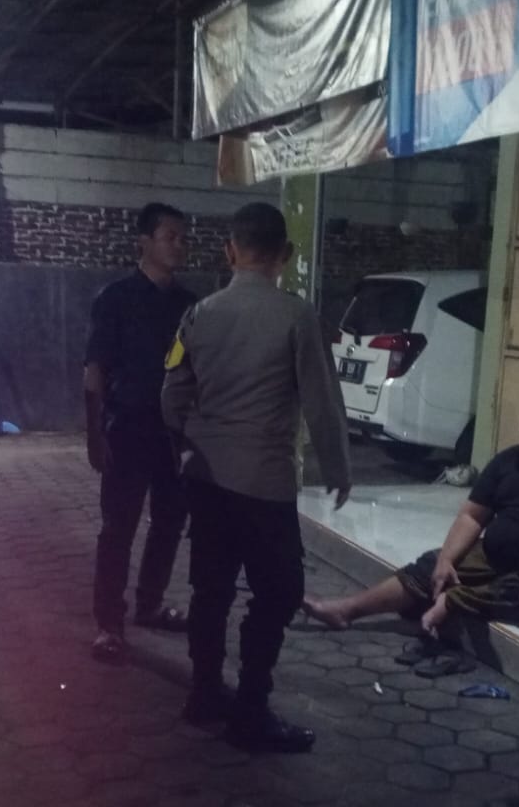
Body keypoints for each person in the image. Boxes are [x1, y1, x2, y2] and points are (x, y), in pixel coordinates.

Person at [161, 202, 351, 753]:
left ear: (230, 250)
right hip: (265, 483)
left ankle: (203, 693)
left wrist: (188, 446)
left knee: (211, 588)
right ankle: (250, 709)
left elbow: (171, 395)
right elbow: (322, 402)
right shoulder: (297, 316)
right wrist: (337, 467)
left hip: (206, 479)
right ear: (285, 254)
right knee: (279, 591)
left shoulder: (198, 314)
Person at [302, 383, 519, 654]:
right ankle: (346, 610)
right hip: (497, 557)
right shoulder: (508, 460)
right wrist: (447, 559)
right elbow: (472, 516)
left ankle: (452, 602)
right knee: (432, 566)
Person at [84, 202, 197, 664]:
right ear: (144, 242)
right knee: (118, 528)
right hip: (127, 429)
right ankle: (108, 623)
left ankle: (149, 605)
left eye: (183, 238)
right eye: (170, 236)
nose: (179, 245)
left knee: (169, 523)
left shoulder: (190, 306)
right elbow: (95, 371)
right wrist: (94, 434)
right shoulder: (116, 299)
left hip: (174, 435)